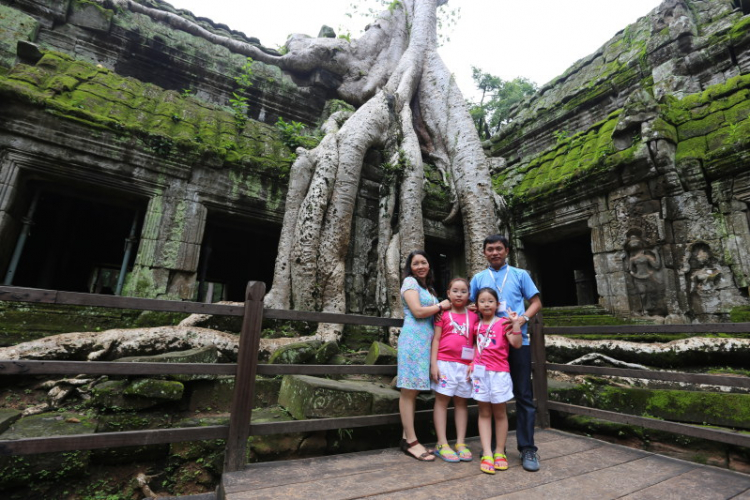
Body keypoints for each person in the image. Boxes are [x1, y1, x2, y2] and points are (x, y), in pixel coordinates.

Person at [469, 234, 542, 472]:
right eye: (489, 249)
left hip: (516, 337)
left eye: (499, 248)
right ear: (484, 253)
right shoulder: (479, 278)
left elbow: (536, 302)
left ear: (507, 251)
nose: (494, 253)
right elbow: (471, 306)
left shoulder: (520, 274)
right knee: (487, 396)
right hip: (488, 345)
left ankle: (527, 448)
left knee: (523, 393)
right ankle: (489, 448)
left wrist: (522, 319)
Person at [398, 250, 451, 461]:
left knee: (414, 389)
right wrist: (440, 305)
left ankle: (405, 437)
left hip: (425, 343)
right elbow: (418, 311)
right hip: (413, 341)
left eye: (423, 262)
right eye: (415, 263)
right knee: (409, 390)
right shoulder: (409, 283)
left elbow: (439, 312)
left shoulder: (427, 288)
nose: (420, 266)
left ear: (429, 265)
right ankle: (412, 442)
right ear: (410, 267)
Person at [470, 287, 523, 474]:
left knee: (500, 413)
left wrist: (516, 324)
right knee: (483, 412)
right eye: (482, 301)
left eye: (490, 301)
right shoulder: (476, 325)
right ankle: (486, 452)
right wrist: (472, 363)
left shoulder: (502, 323)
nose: (486, 304)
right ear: (477, 305)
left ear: (497, 304)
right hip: (480, 374)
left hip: (499, 373)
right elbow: (476, 346)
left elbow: (516, 344)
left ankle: (500, 451)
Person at [429, 277, 477, 463]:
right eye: (455, 291)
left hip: (465, 365)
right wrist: (434, 364)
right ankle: (442, 442)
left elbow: (475, 342)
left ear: (469, 295)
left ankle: (460, 442)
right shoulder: (443, 314)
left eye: (463, 291)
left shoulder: (473, 316)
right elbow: (436, 339)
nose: (459, 294)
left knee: (462, 403)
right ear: (448, 293)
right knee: (441, 401)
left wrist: (473, 363)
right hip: (445, 363)